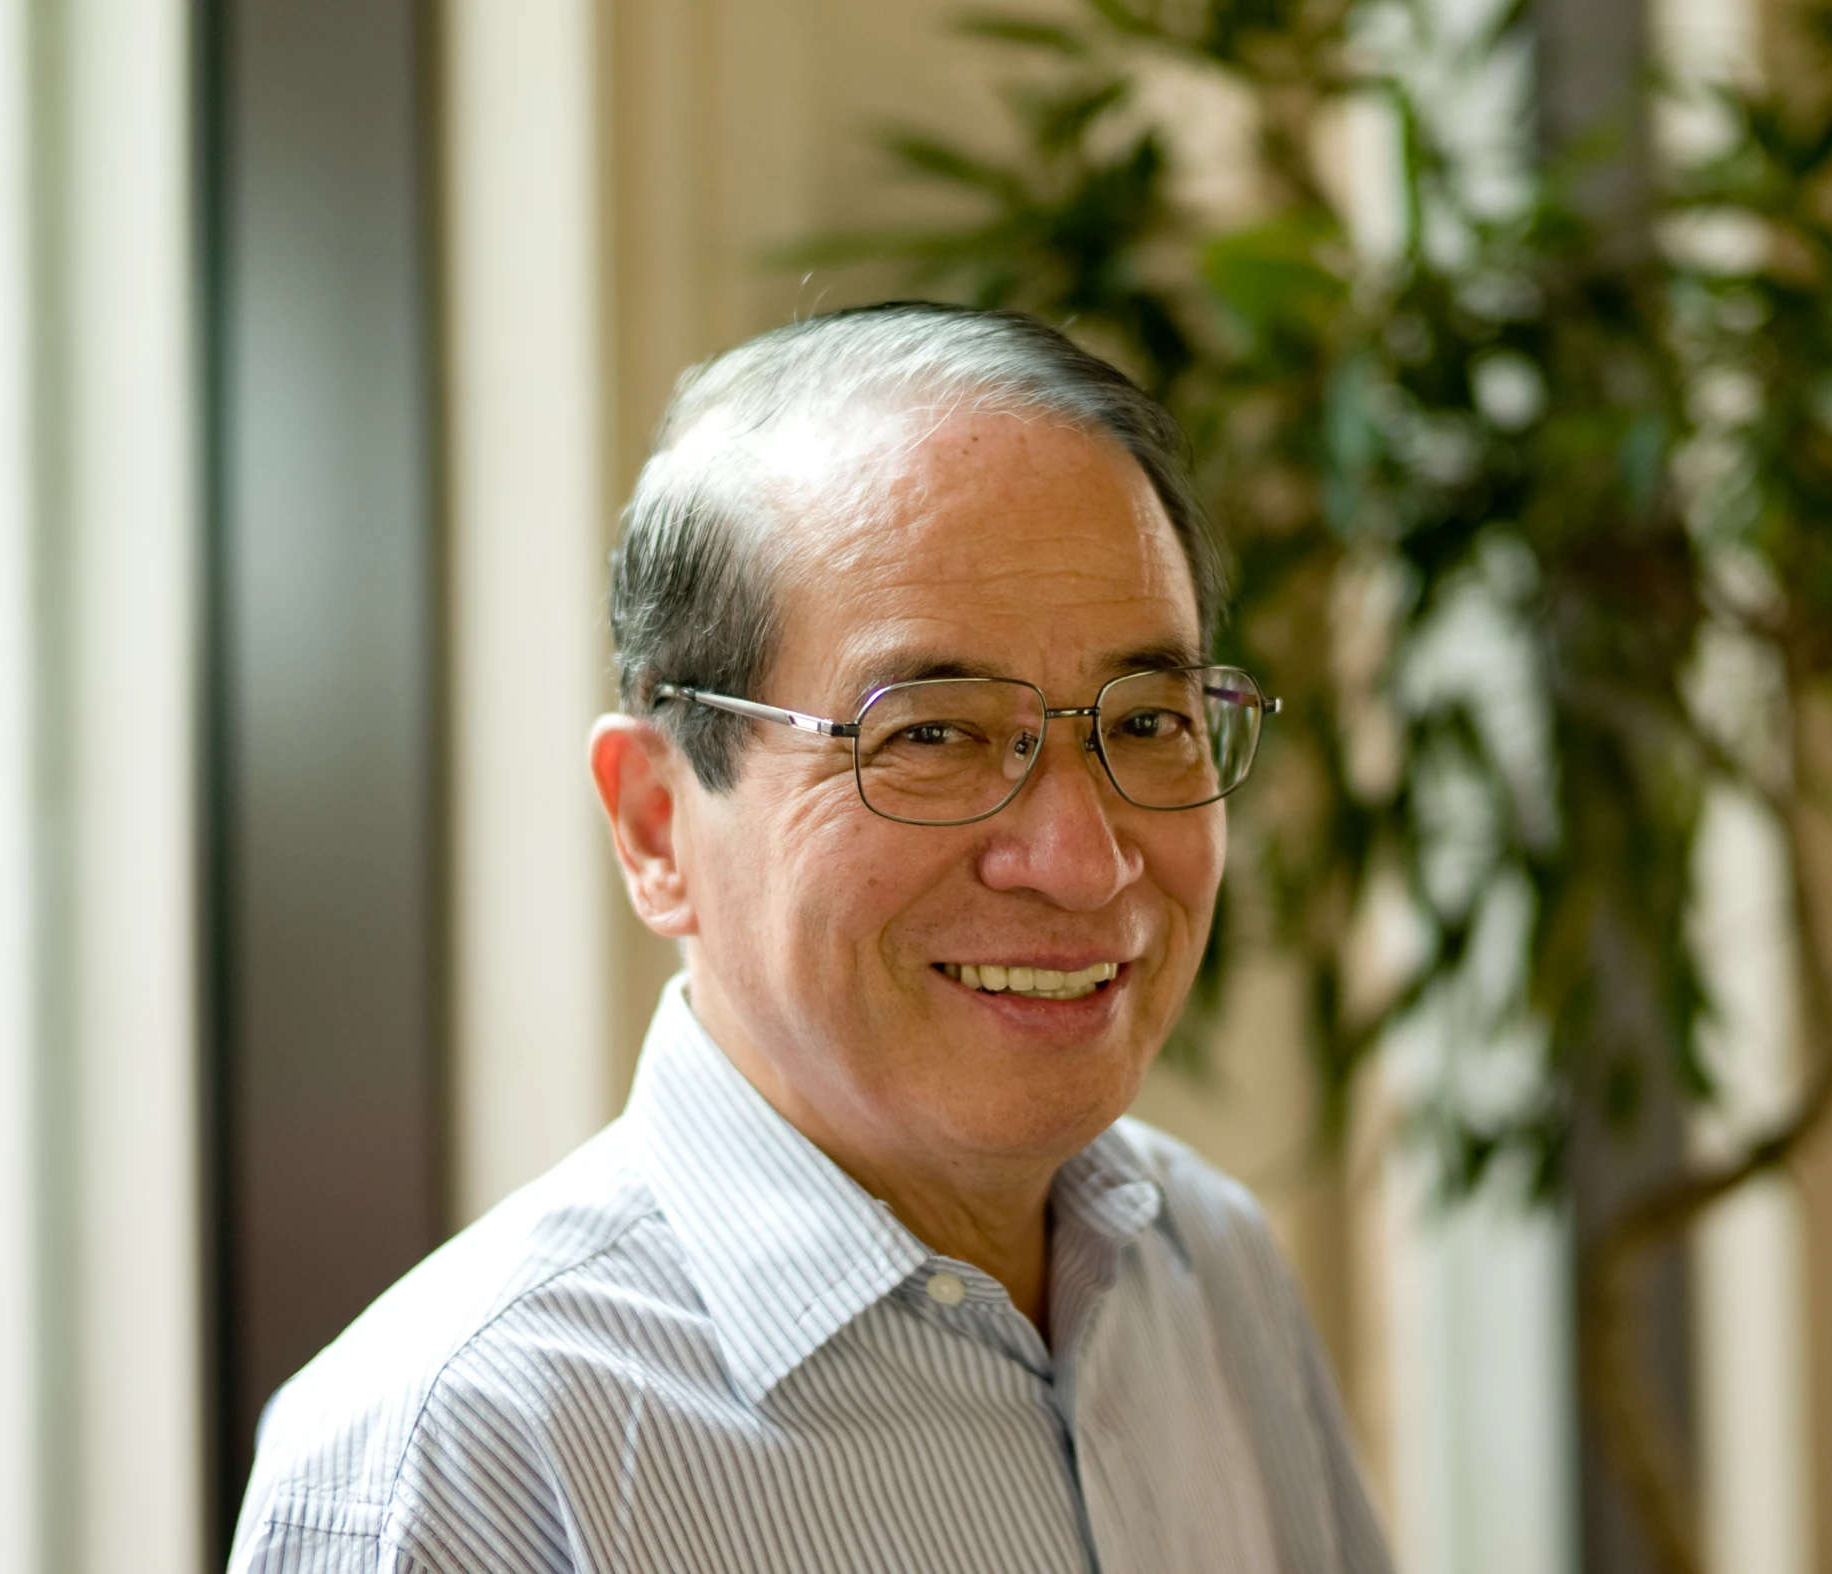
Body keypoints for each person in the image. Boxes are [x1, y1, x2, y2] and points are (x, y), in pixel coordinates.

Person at [228, 303, 1392, 1573]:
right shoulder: (461, 1456)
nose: (1082, 858)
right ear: (657, 825)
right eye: (930, 732)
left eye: (1150, 721)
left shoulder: (1206, 1264)